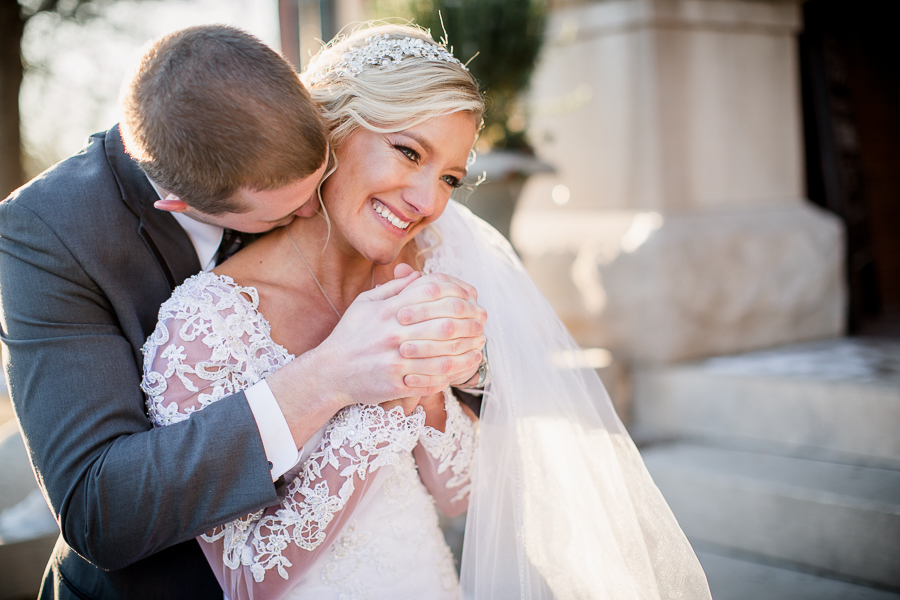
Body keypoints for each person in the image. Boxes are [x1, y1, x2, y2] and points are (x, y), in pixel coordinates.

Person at [143, 24, 713, 600]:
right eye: (408, 151)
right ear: (332, 130)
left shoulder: (429, 268)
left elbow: (456, 496)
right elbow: (245, 576)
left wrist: (435, 385)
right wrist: (378, 400)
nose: (429, 201)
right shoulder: (206, 325)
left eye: (449, 178)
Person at [0, 26, 486, 600]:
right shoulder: (51, 234)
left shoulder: (390, 228)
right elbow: (100, 509)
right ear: (182, 205)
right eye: (408, 151)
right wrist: (340, 375)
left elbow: (462, 477)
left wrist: (449, 368)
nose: (308, 209)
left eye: (451, 177)